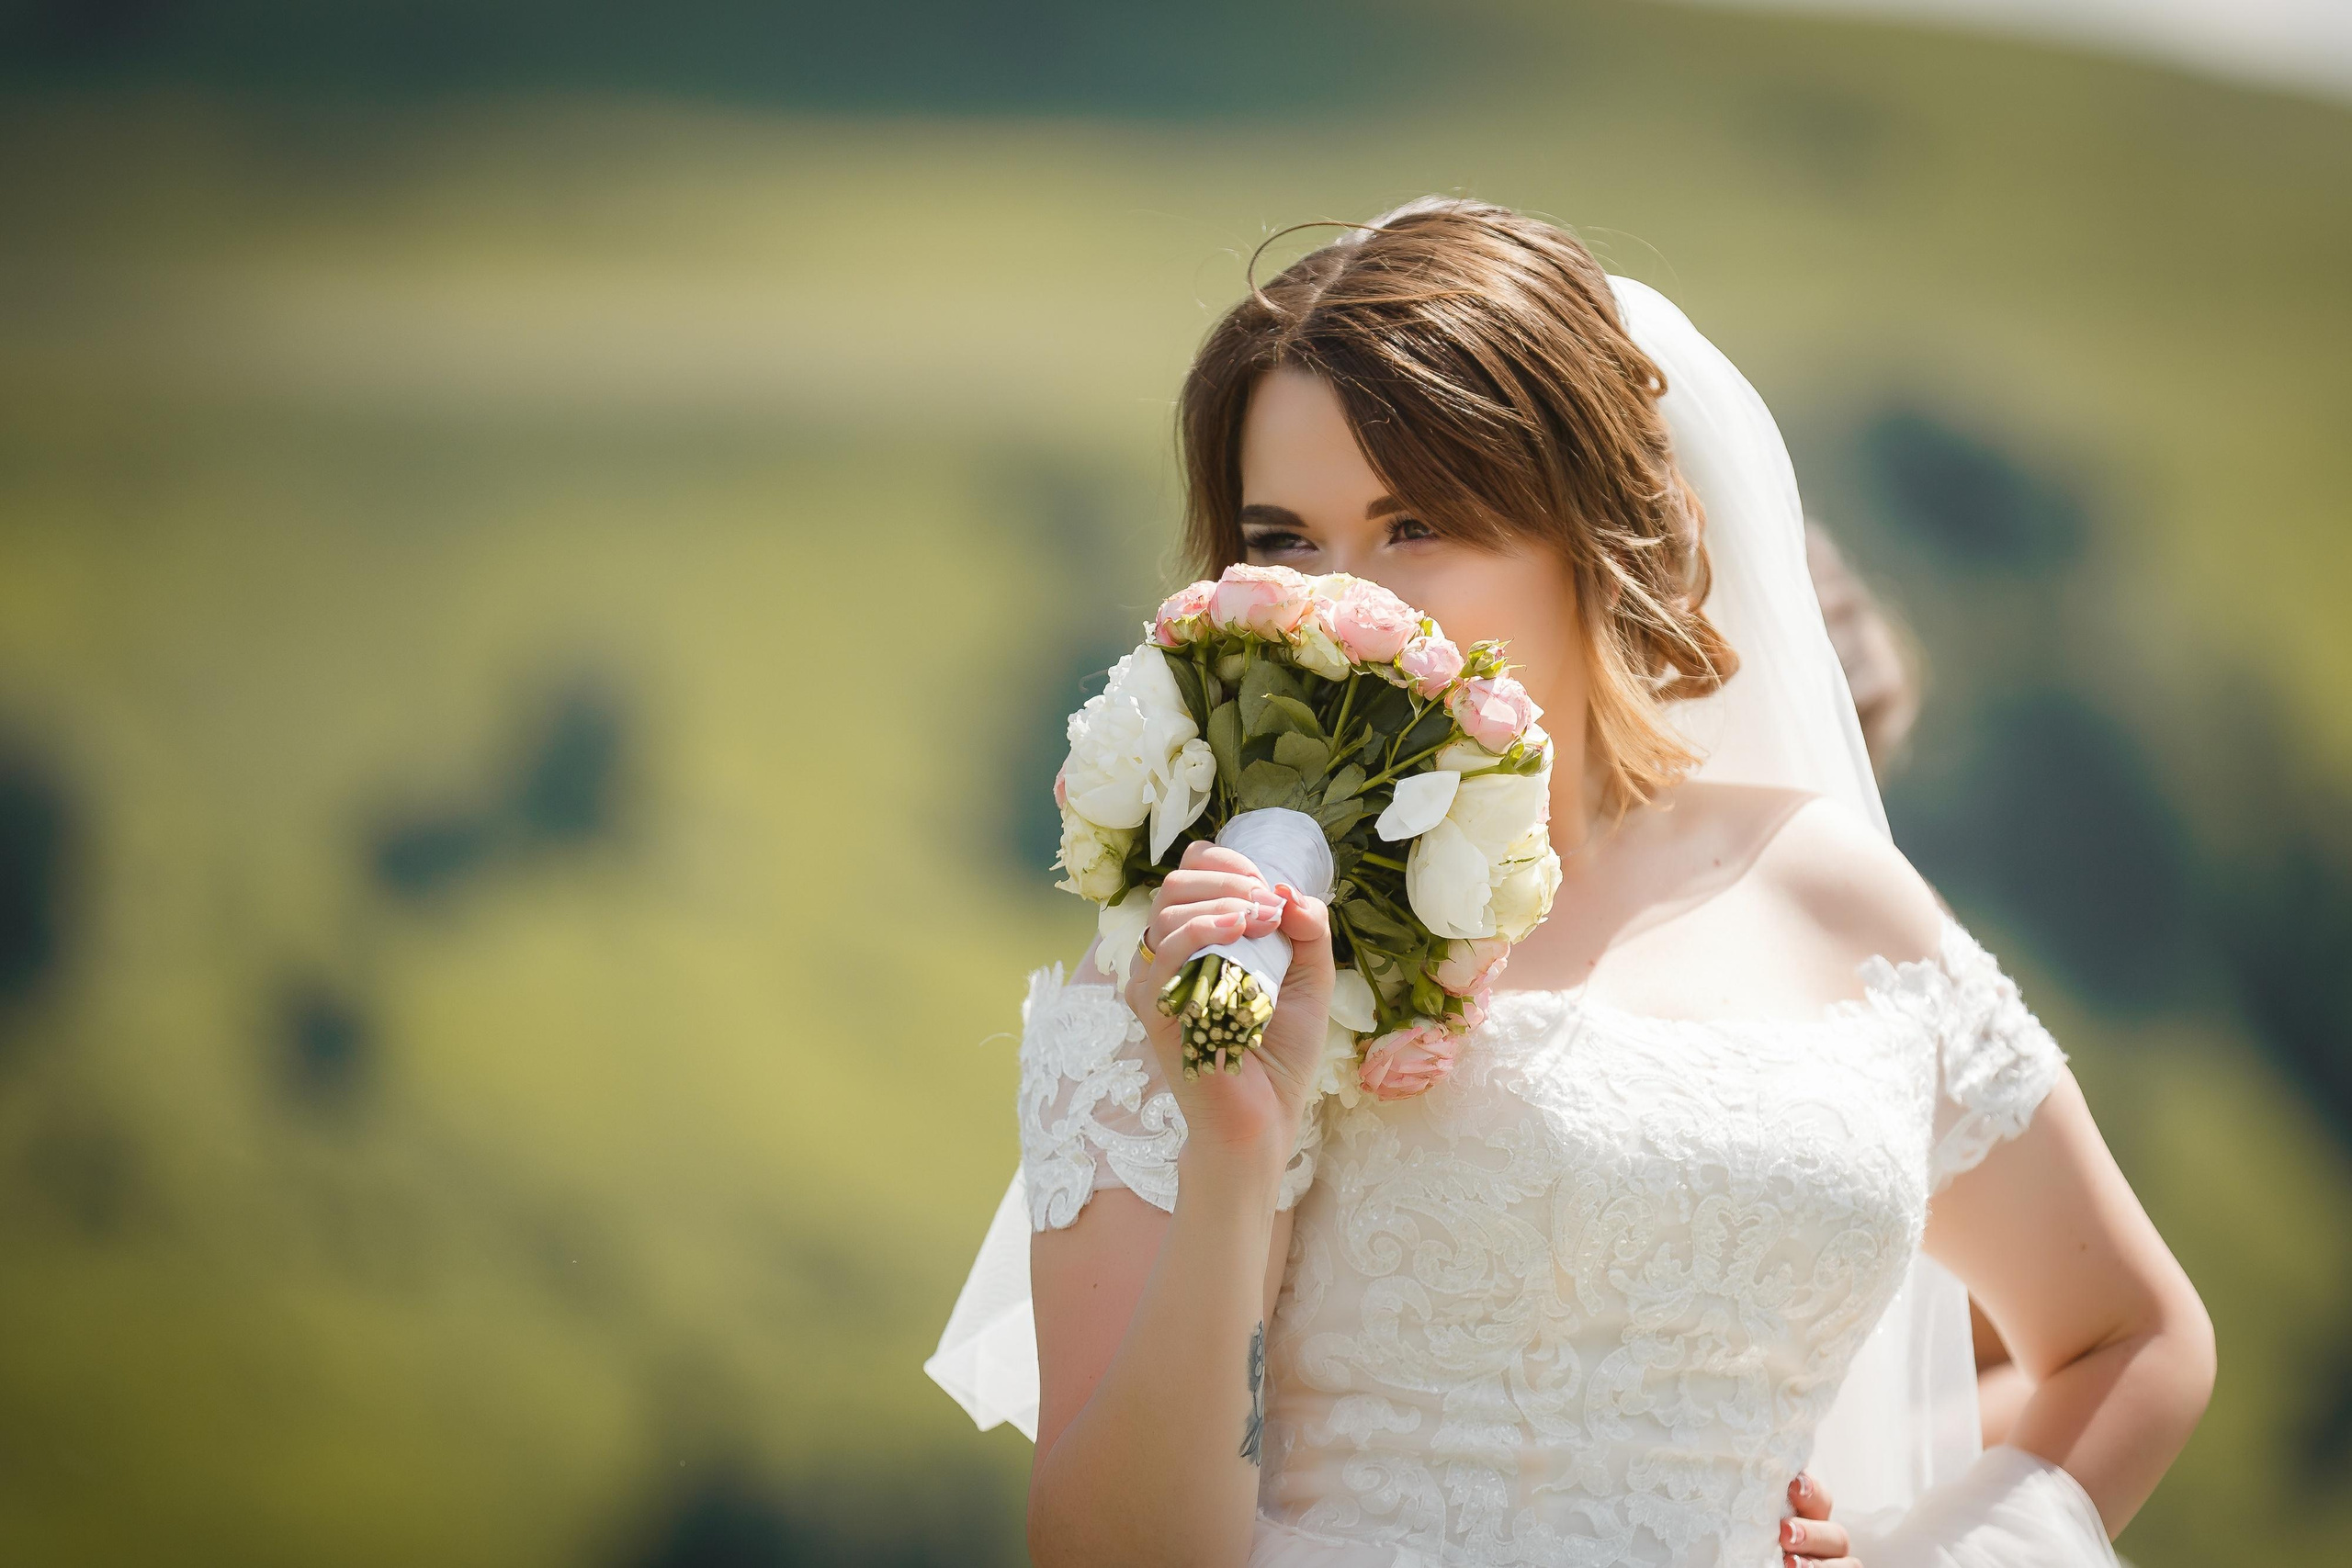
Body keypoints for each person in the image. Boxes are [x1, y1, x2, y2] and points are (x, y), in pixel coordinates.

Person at [930, 197, 2213, 1568]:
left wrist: (1930, 1557)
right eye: (1285, 539)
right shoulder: (1206, 958)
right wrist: (1237, 1153)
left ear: (1590, 530)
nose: (1340, 603)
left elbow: (2130, 1338)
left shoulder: (1832, 892)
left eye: (1414, 523)